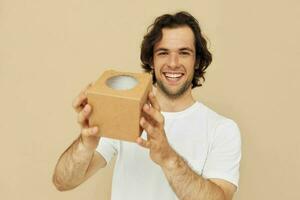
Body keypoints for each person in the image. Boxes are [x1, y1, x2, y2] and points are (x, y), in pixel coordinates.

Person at [53, 11, 241, 200]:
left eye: (184, 53)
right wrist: (85, 144)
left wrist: (167, 157)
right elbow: (63, 182)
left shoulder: (222, 129)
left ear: (197, 61)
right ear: (152, 60)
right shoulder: (125, 113)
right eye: (163, 53)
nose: (173, 63)